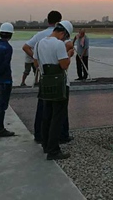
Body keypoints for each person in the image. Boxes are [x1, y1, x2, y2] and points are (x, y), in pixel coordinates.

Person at [21, 10, 62, 142]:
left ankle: (39, 135)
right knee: (57, 108)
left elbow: (26, 47)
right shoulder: (59, 35)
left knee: (42, 106)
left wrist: (37, 60)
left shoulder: (40, 35)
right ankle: (58, 136)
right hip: (57, 76)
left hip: (44, 75)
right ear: (58, 22)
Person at [35, 21, 74, 160]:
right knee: (57, 117)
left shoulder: (39, 43)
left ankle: (46, 145)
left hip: (45, 83)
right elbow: (64, 65)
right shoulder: (58, 44)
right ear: (63, 33)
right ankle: (53, 150)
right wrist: (69, 54)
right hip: (60, 85)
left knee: (47, 115)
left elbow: (36, 63)